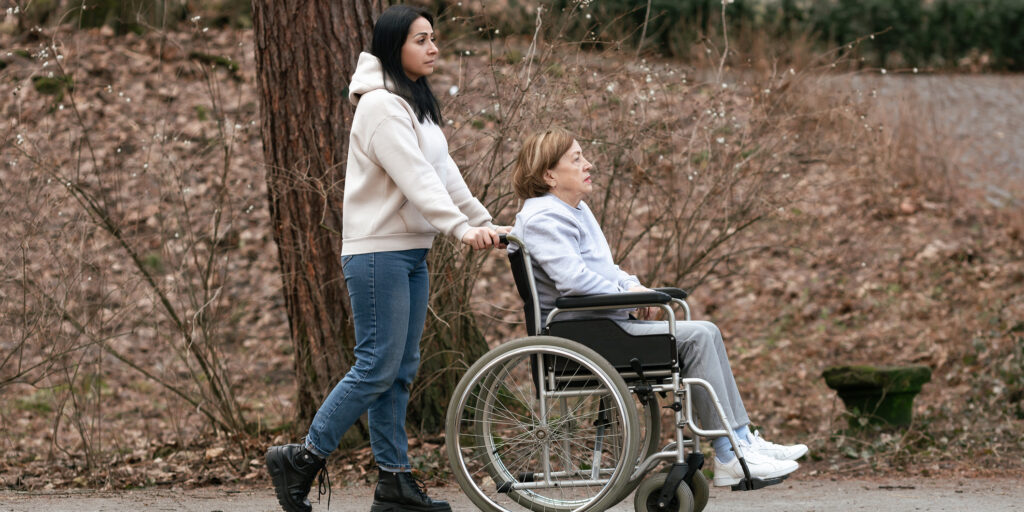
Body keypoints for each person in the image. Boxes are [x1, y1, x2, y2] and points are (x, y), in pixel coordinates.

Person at [265, 6, 508, 512]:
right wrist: (461, 229)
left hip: (410, 252)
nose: (433, 48)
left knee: (400, 370)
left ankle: (394, 482)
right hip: (378, 254)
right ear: (394, 46)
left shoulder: (413, 104)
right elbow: (415, 180)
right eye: (422, 40)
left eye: (434, 38)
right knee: (376, 366)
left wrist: (485, 221)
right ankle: (302, 458)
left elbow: (443, 174)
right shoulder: (378, 106)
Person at [508, 128, 807, 487]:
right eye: (576, 159)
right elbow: (574, 281)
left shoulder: (574, 210)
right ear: (548, 175)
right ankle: (730, 452)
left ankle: (741, 441)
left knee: (704, 332)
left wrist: (633, 286)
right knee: (698, 336)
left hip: (602, 327)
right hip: (585, 337)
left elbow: (602, 269)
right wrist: (634, 301)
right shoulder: (544, 218)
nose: (589, 164)